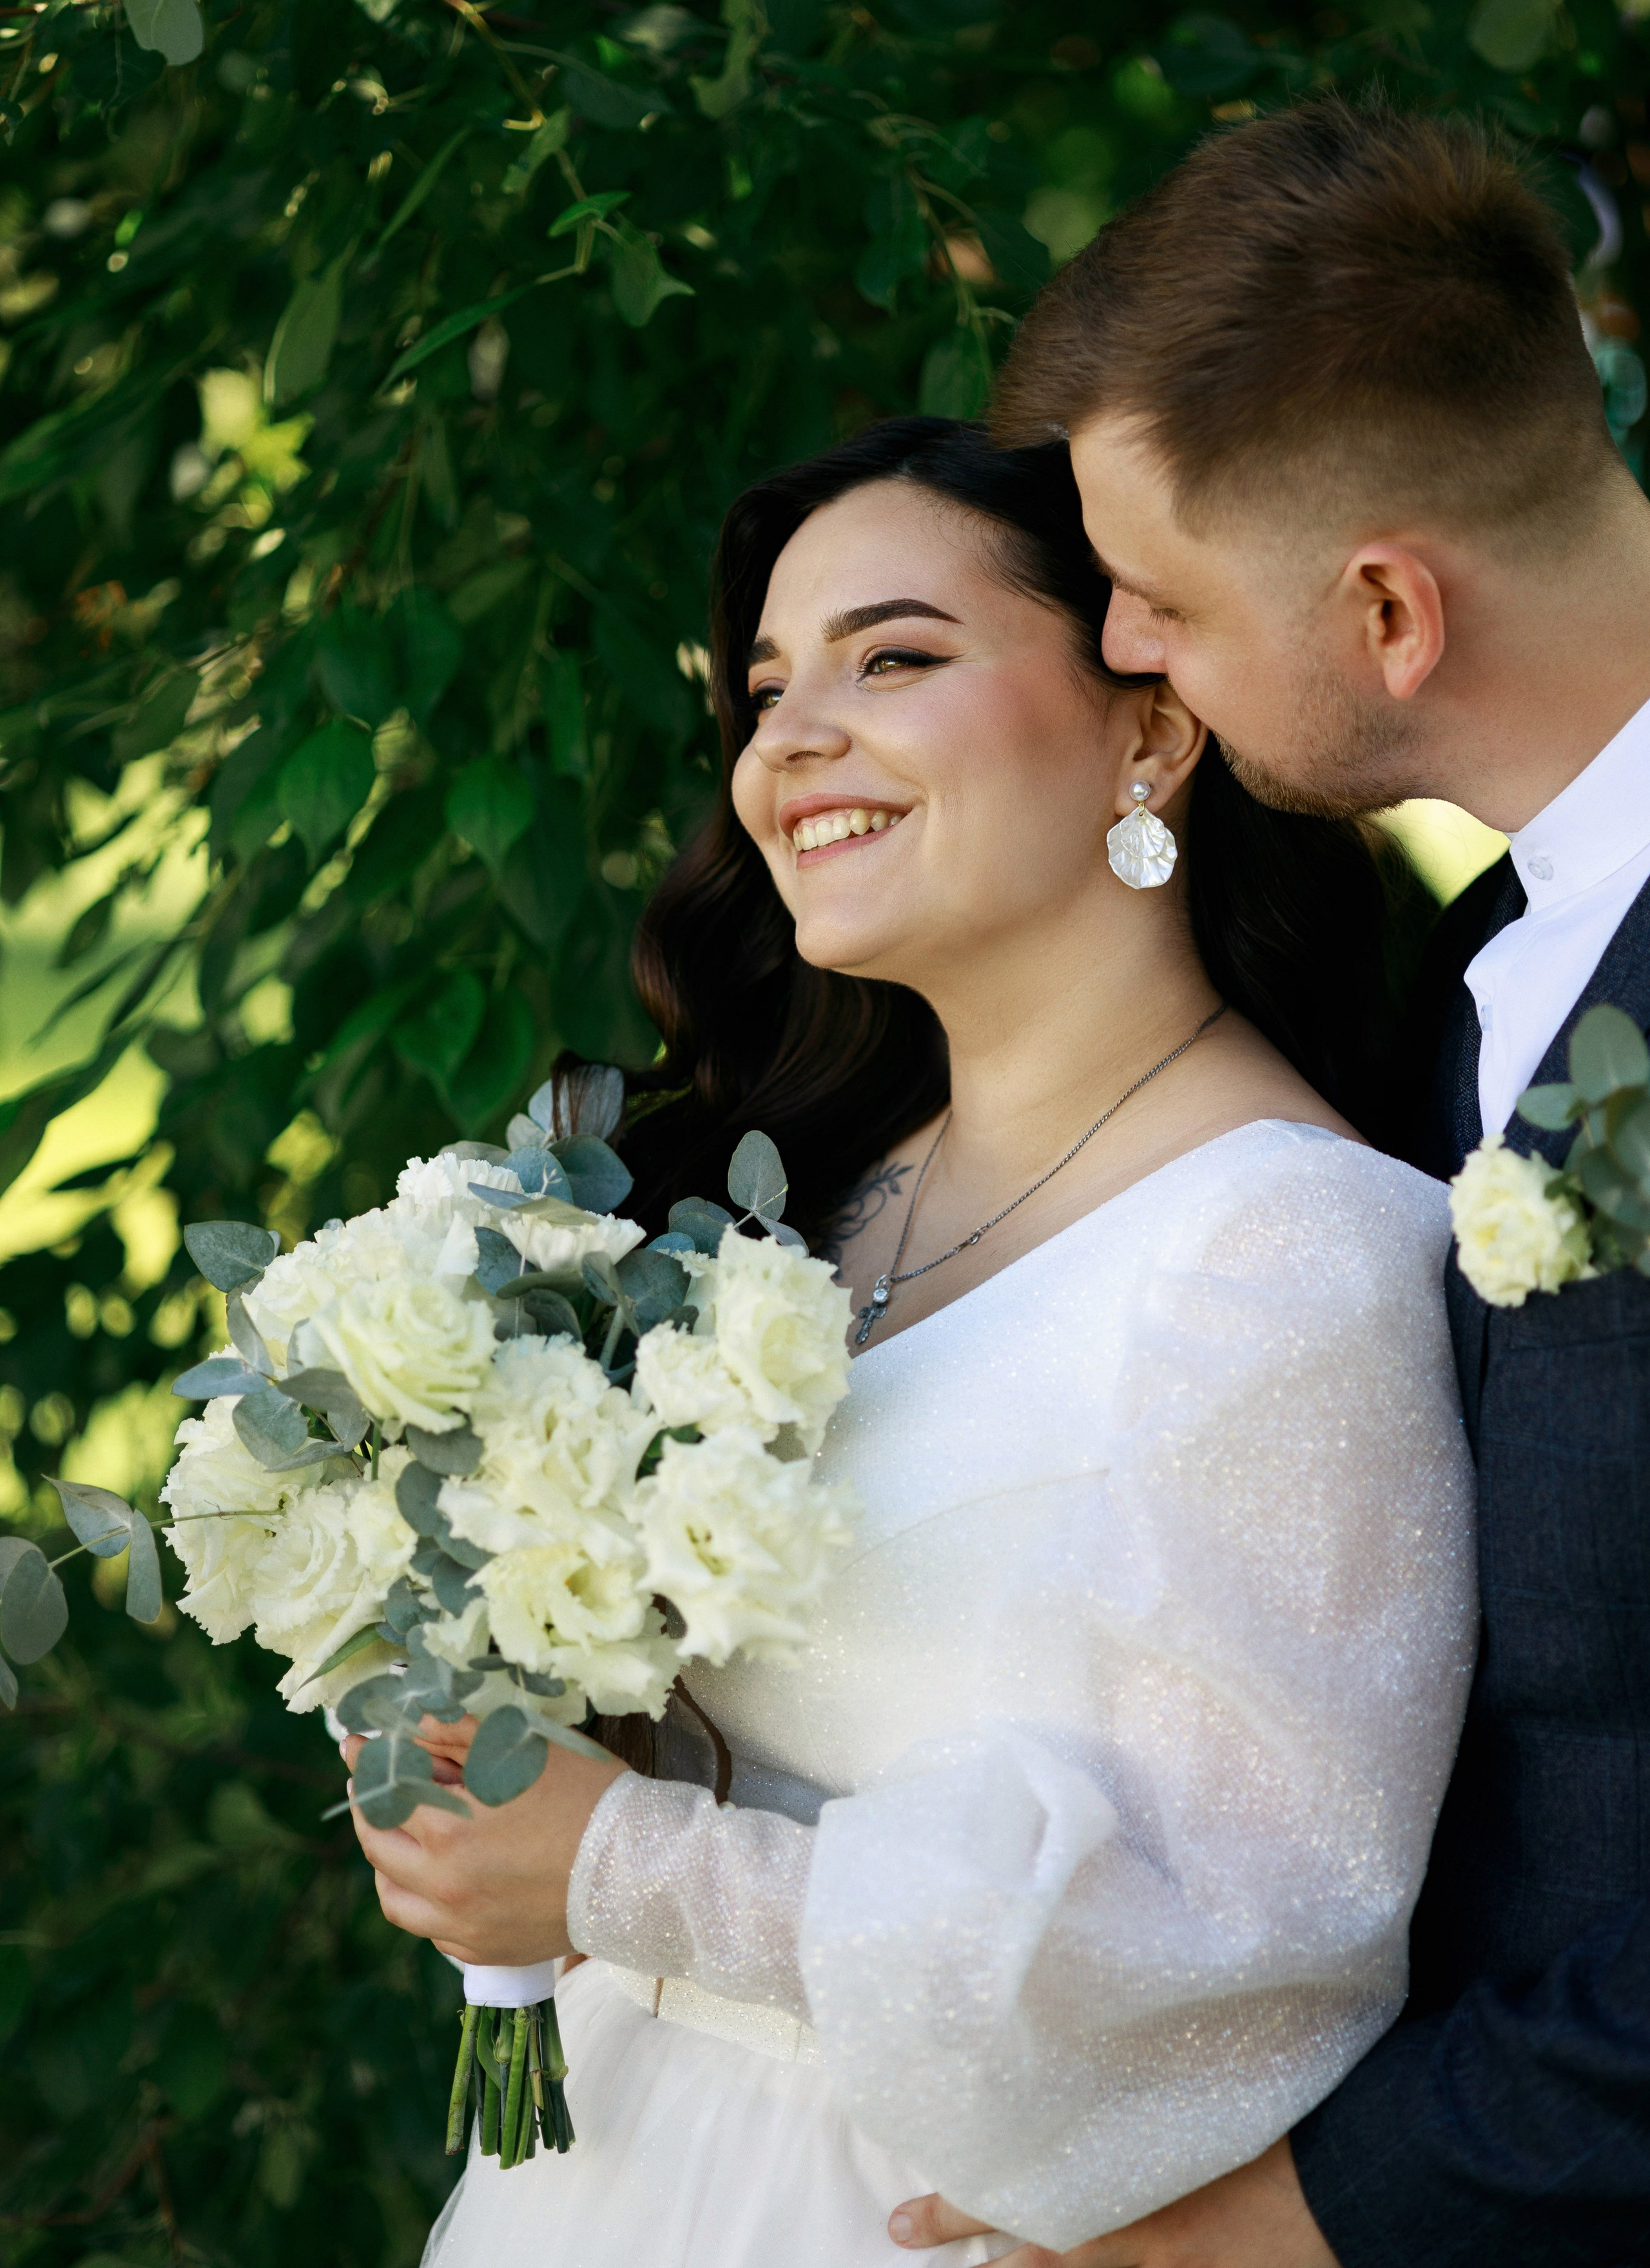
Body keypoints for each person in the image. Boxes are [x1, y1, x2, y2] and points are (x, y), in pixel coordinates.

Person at [342, 416, 1476, 2268]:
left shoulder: (1287, 1244)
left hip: (917, 2217)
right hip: (615, 2174)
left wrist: (623, 1863)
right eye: (768, 685)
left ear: (1151, 727)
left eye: (896, 656)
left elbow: (1261, 1930)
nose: (791, 737)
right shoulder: (810, 1203)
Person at [886, 100, 1650, 2266]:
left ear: (1390, 608)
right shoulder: (1495, 966)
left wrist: (1241, 2238)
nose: (1125, 652)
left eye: (1157, 597)